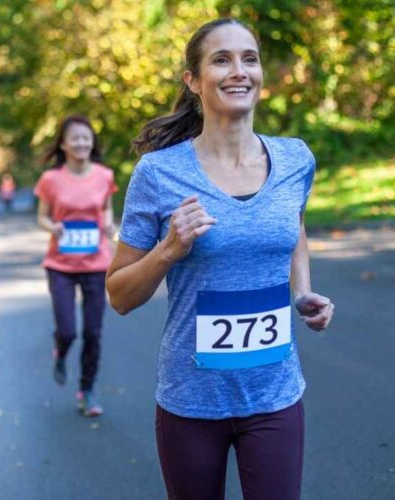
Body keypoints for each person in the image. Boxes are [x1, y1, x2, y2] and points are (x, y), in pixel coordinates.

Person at [106, 19, 335, 499]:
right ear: (192, 80)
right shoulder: (159, 173)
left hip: (275, 393)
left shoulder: (295, 160)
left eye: (249, 58)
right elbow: (119, 294)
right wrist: (168, 250)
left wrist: (303, 290)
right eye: (221, 59)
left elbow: (292, 225)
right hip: (191, 399)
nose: (239, 71)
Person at [34, 115, 118, 417]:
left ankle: (87, 390)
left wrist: (108, 227)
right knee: (69, 330)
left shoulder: (104, 176)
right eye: (76, 138)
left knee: (93, 332)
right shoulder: (50, 180)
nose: (82, 143)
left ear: (91, 142)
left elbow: (105, 211)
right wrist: (52, 227)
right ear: (64, 144)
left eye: (87, 137)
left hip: (96, 263)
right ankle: (61, 348)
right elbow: (41, 216)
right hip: (60, 265)